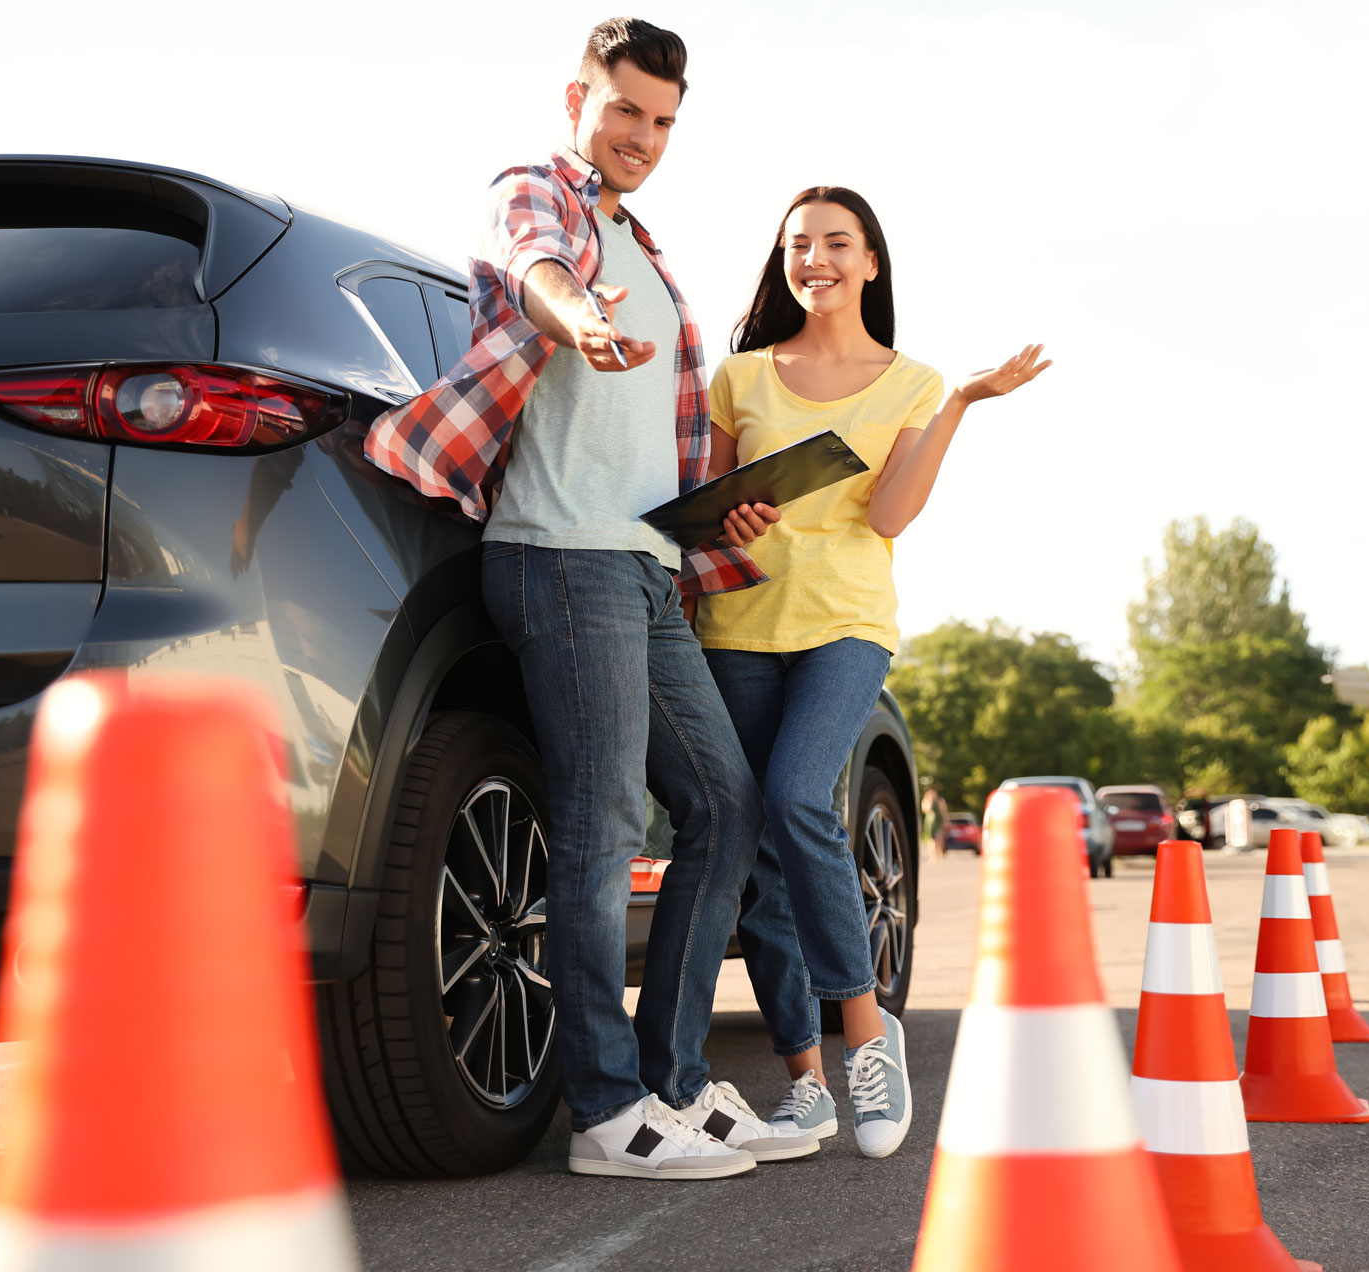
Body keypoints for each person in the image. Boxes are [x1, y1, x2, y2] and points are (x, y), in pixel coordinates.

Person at [365, 17, 801, 1181]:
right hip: (559, 557)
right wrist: (579, 313)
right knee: (602, 824)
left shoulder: (645, 247)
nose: (643, 137)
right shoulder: (538, 195)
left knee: (726, 806)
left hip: (647, 565)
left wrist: (720, 510)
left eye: (662, 121)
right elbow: (534, 266)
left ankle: (673, 1081)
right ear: (578, 99)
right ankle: (607, 1110)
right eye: (625, 111)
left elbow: (652, 446)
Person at [694, 186, 1050, 1158]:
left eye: (836, 243)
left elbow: (889, 514)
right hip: (740, 623)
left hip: (846, 624)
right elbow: (705, 512)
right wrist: (731, 518)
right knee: (764, 860)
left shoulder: (915, 384)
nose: (816, 257)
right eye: (798, 243)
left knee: (803, 792)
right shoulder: (741, 377)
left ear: (871, 262)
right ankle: (804, 1084)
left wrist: (967, 402)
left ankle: (865, 1033)